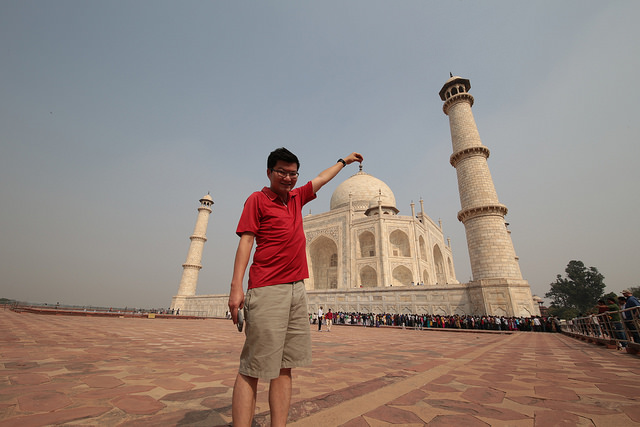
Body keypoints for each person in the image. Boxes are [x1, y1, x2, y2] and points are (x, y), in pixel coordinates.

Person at [228, 147, 363, 427]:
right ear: (269, 172)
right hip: (267, 288)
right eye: (282, 172)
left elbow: (321, 179)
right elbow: (246, 242)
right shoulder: (257, 199)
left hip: (296, 290)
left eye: (292, 174)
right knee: (252, 367)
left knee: (284, 367)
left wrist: (344, 162)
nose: (288, 178)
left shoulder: (295, 198)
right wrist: (236, 287)